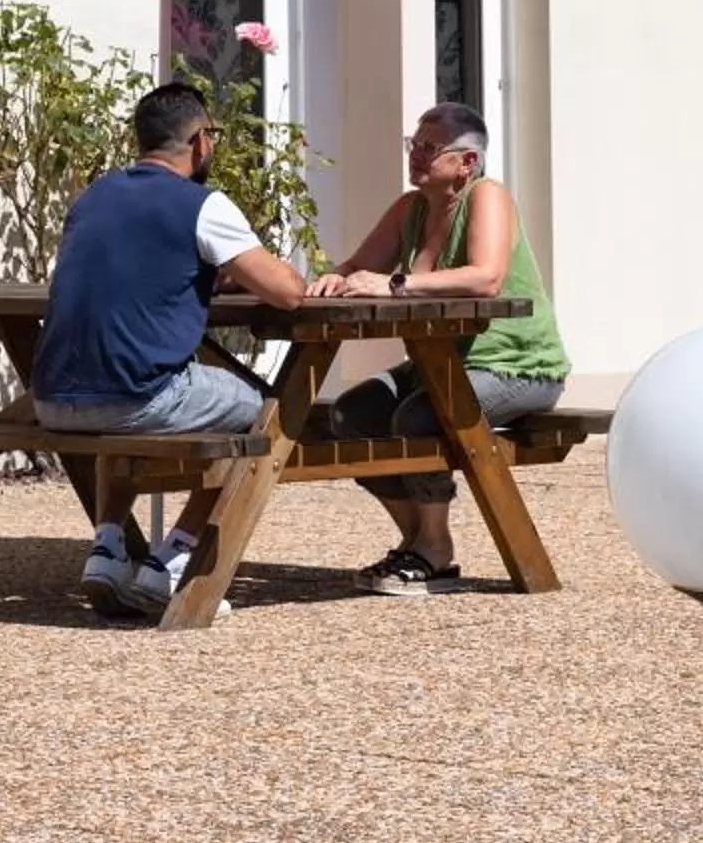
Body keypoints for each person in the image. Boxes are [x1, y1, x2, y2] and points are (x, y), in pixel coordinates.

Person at [34, 82, 307, 619]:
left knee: (131, 379)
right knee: (265, 413)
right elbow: (288, 291)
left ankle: (108, 548)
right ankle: (175, 557)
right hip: (134, 397)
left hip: (50, 396)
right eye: (215, 137)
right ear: (201, 141)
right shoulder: (202, 205)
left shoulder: (94, 196)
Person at [308, 100, 568, 594]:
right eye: (415, 145)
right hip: (441, 364)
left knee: (419, 417)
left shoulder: (486, 196)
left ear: (466, 162)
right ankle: (417, 541)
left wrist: (396, 284)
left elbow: (486, 278)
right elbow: (358, 265)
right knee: (350, 415)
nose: (416, 156)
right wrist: (333, 280)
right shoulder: (411, 209)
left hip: (517, 367)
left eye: (430, 148)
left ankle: (435, 550)